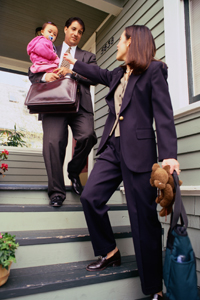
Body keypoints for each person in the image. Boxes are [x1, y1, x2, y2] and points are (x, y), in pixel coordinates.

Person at [64, 25, 180, 299]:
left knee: (143, 220)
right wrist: (73, 64)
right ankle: (110, 252)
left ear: (132, 42)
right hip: (112, 149)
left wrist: (169, 155)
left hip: (139, 153)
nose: (117, 45)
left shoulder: (153, 70)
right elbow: (99, 73)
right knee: (90, 197)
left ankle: (153, 290)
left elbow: (164, 114)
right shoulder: (118, 73)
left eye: (120, 40)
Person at [28, 17, 97, 207]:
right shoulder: (47, 46)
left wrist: (71, 72)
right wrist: (45, 76)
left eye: (80, 31)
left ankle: (74, 171)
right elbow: (33, 72)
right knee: (52, 144)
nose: (76, 33)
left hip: (80, 104)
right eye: (73, 29)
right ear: (65, 30)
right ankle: (57, 192)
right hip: (54, 104)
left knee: (87, 136)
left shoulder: (87, 56)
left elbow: (93, 76)